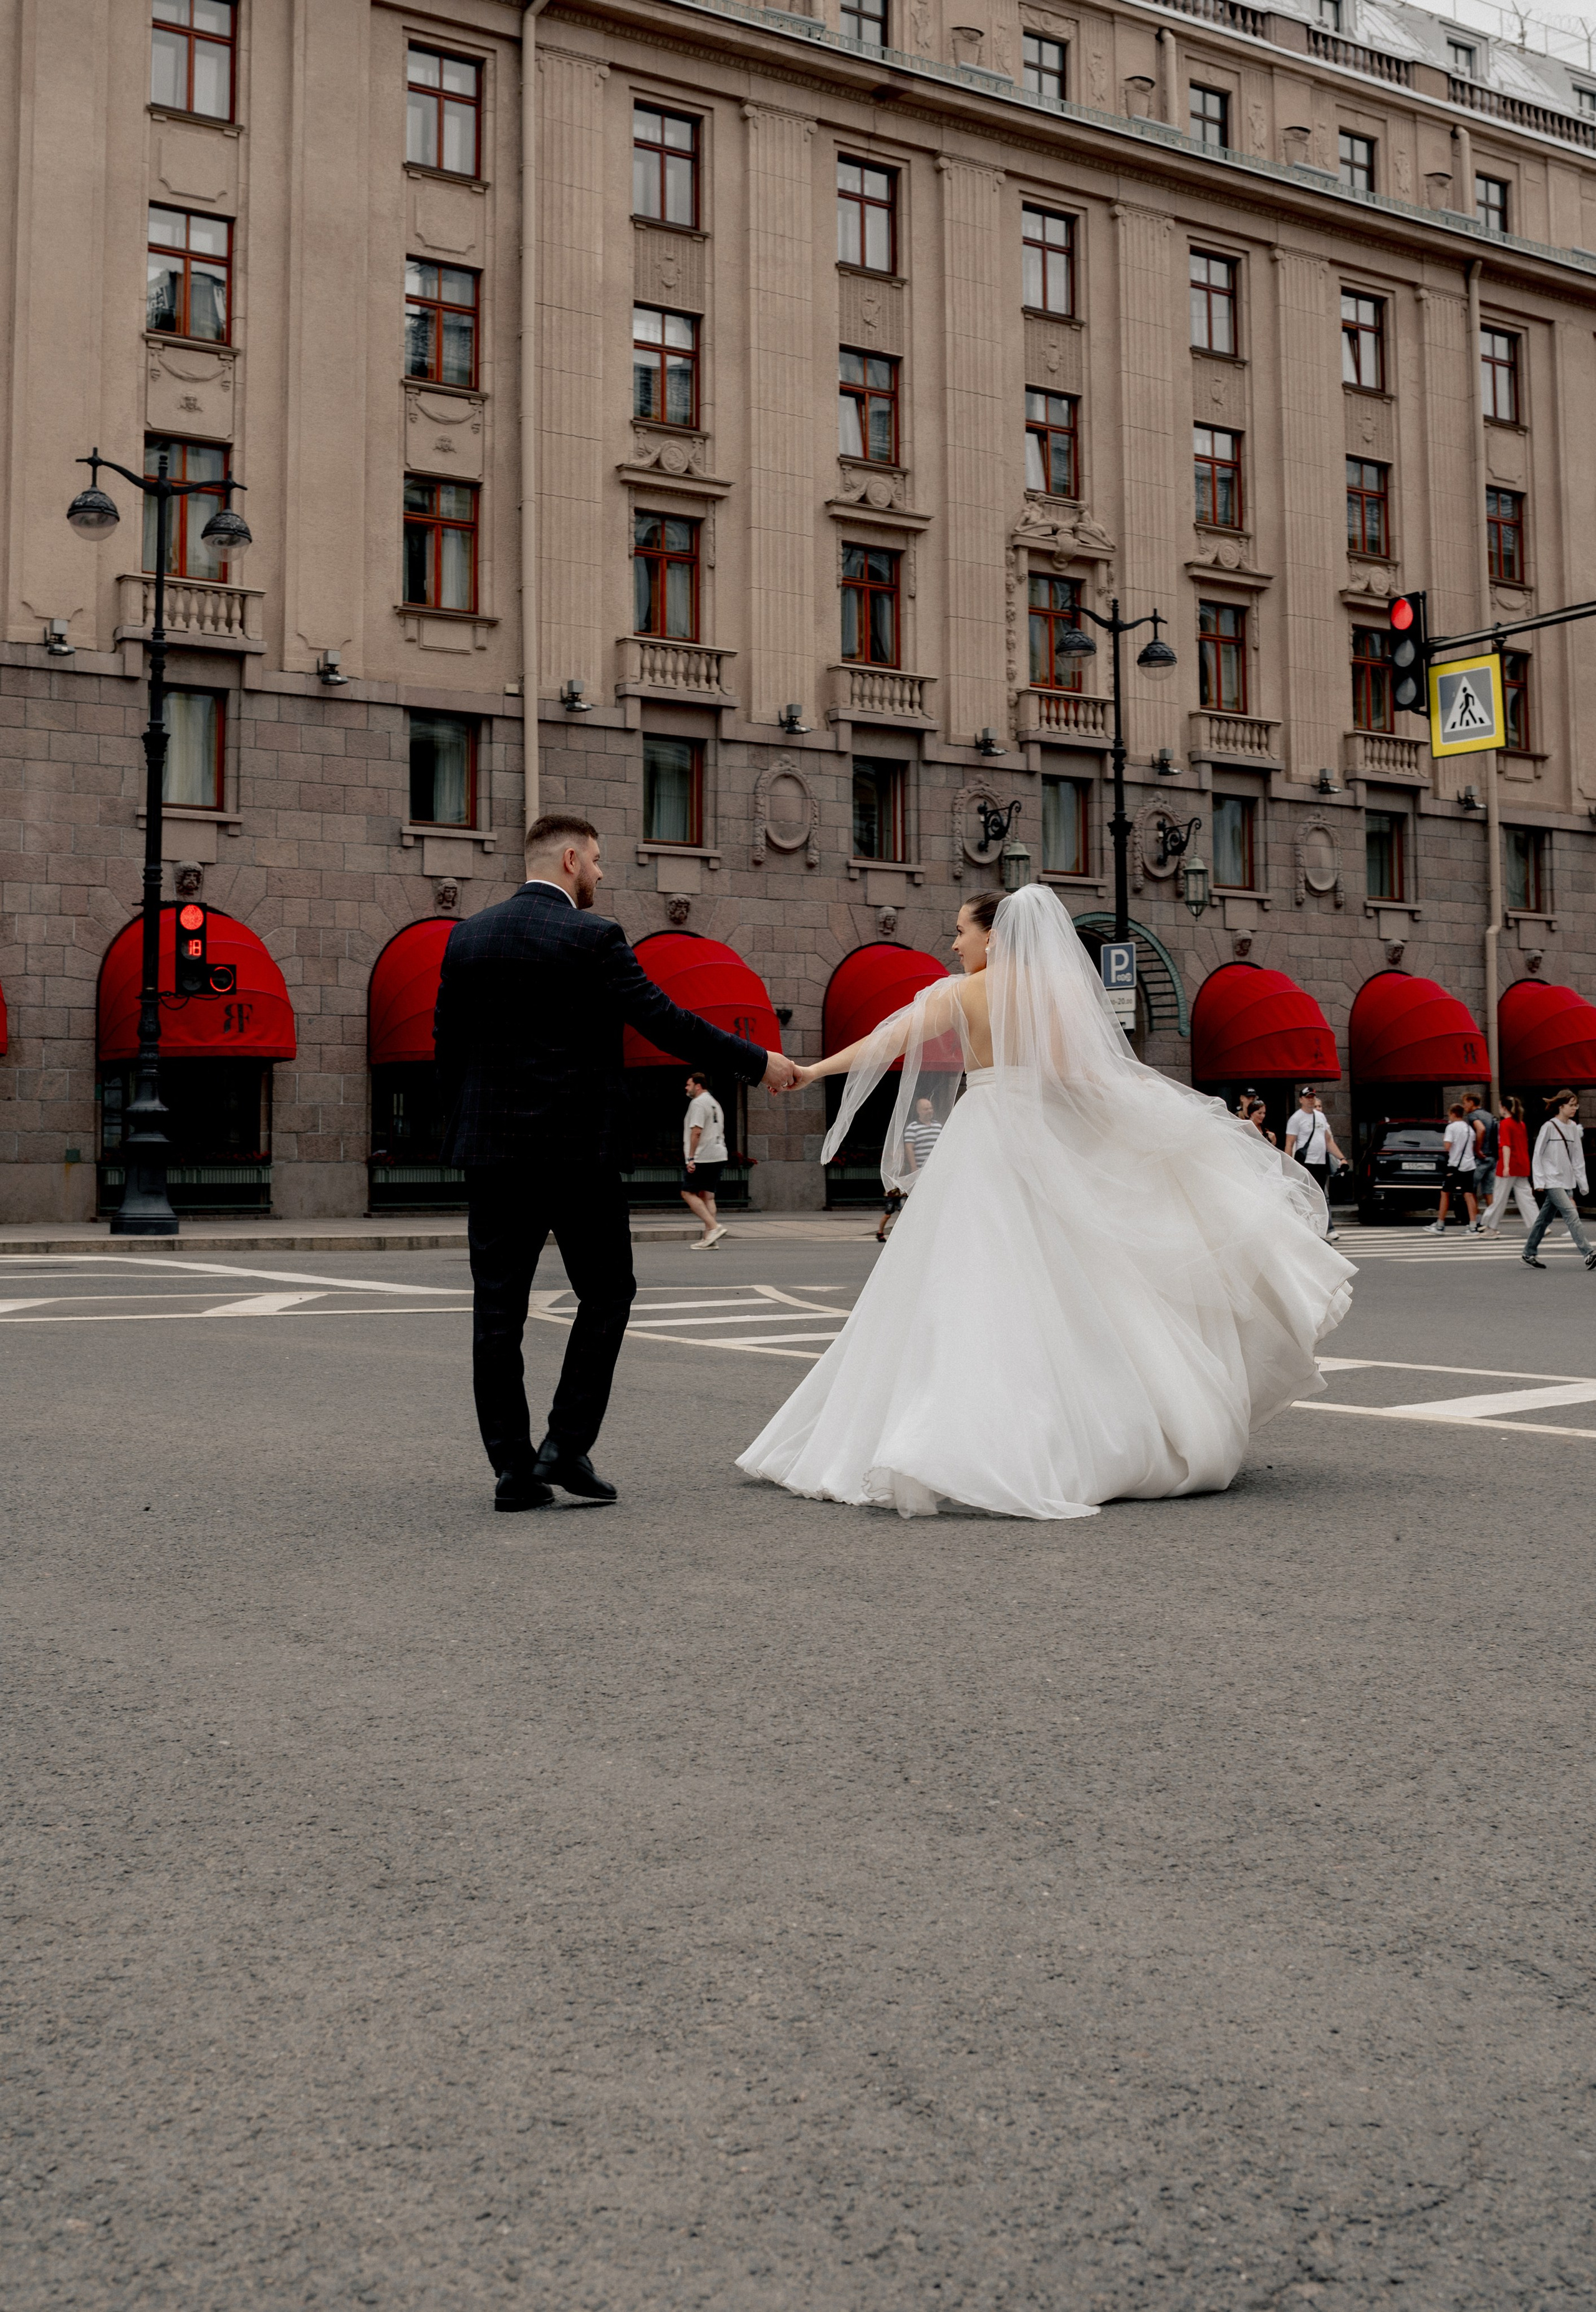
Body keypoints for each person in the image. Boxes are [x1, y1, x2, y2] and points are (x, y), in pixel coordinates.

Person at [737, 885, 1355, 1521]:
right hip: (1040, 1135)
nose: (953, 943)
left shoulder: (959, 993)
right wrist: (1148, 1119)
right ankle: (1076, 1429)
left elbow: (884, 1042)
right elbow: (1079, 1078)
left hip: (982, 1137)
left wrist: (811, 1072)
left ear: (994, 935)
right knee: (1071, 1285)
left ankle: (945, 1432)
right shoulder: (1053, 994)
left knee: (957, 1286)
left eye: (960, 931)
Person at [435, 811, 798, 1511]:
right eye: (597, 861)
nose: (602, 873)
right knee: (607, 1294)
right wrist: (757, 1061)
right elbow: (664, 1020)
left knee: (495, 1312)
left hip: (493, 1156)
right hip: (577, 1155)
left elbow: (446, 1047)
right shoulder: (592, 936)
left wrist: (467, 1130)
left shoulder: (466, 939)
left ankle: (512, 1472)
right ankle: (566, 1445)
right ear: (570, 858)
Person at [1521, 1089, 1596, 1271]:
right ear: (1561, 1106)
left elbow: (1578, 1158)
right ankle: (1588, 1253)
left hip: (1566, 1180)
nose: (1575, 1109)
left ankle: (1529, 1252)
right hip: (1551, 1180)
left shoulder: (1572, 1127)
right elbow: (1537, 1155)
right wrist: (1539, 1181)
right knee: (1571, 1214)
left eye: (1576, 1105)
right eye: (1571, 1105)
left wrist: (1582, 1183)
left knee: (1543, 1219)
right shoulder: (1549, 1126)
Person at [1284, 1085, 1344, 1242]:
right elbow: (1290, 1143)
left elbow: (1328, 1140)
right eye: (1308, 1097)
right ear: (1301, 1100)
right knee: (1308, 1198)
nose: (1311, 1100)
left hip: (1321, 1163)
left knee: (1320, 1198)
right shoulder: (1296, 1118)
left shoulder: (1320, 1116)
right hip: (1306, 1163)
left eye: (1313, 1097)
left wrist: (1341, 1158)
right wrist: (1288, 1164)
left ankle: (1320, 1231)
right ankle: (1308, 1231)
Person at [681, 1071, 729, 1250]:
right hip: (718, 1153)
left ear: (698, 1086)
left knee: (687, 1193)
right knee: (708, 1196)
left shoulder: (698, 1103)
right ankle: (710, 1238)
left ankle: (714, 1227)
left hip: (703, 1155)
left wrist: (691, 1157)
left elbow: (697, 1132)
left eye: (689, 1084)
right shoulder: (714, 1102)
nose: (687, 1088)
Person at [1480, 1094, 1536, 1236]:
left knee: (1500, 1198)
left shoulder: (1505, 1124)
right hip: (1522, 1164)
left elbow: (1506, 1146)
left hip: (1509, 1164)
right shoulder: (1521, 1124)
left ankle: (1489, 1226)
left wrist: (1506, 1166)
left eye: (1500, 1106)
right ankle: (1538, 1224)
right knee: (1526, 1197)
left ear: (1504, 1108)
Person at [1425, 1103, 1481, 1235]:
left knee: (1445, 1193)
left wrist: (1445, 1139)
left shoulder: (1451, 1127)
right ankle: (1473, 1226)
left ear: (1453, 1114)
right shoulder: (1468, 1128)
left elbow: (1447, 1146)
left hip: (1455, 1165)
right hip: (1469, 1164)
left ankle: (1440, 1224)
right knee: (1468, 1194)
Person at [1462, 1091, 1497, 1234]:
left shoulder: (1473, 1116)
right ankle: (1492, 1223)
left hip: (1480, 1158)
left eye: (1465, 1103)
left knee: (1471, 1189)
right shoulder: (1489, 1115)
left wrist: (1478, 1149)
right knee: (1489, 1191)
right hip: (1492, 1158)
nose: (1464, 1107)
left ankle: (1476, 1221)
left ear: (1471, 1102)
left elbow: (1480, 1129)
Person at [903, 1094, 943, 1175]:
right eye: (926, 1109)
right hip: (921, 1169)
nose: (929, 1111)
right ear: (919, 1111)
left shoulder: (939, 1127)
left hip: (938, 1167)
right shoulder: (912, 1128)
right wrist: (914, 1168)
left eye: (931, 1108)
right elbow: (909, 1149)